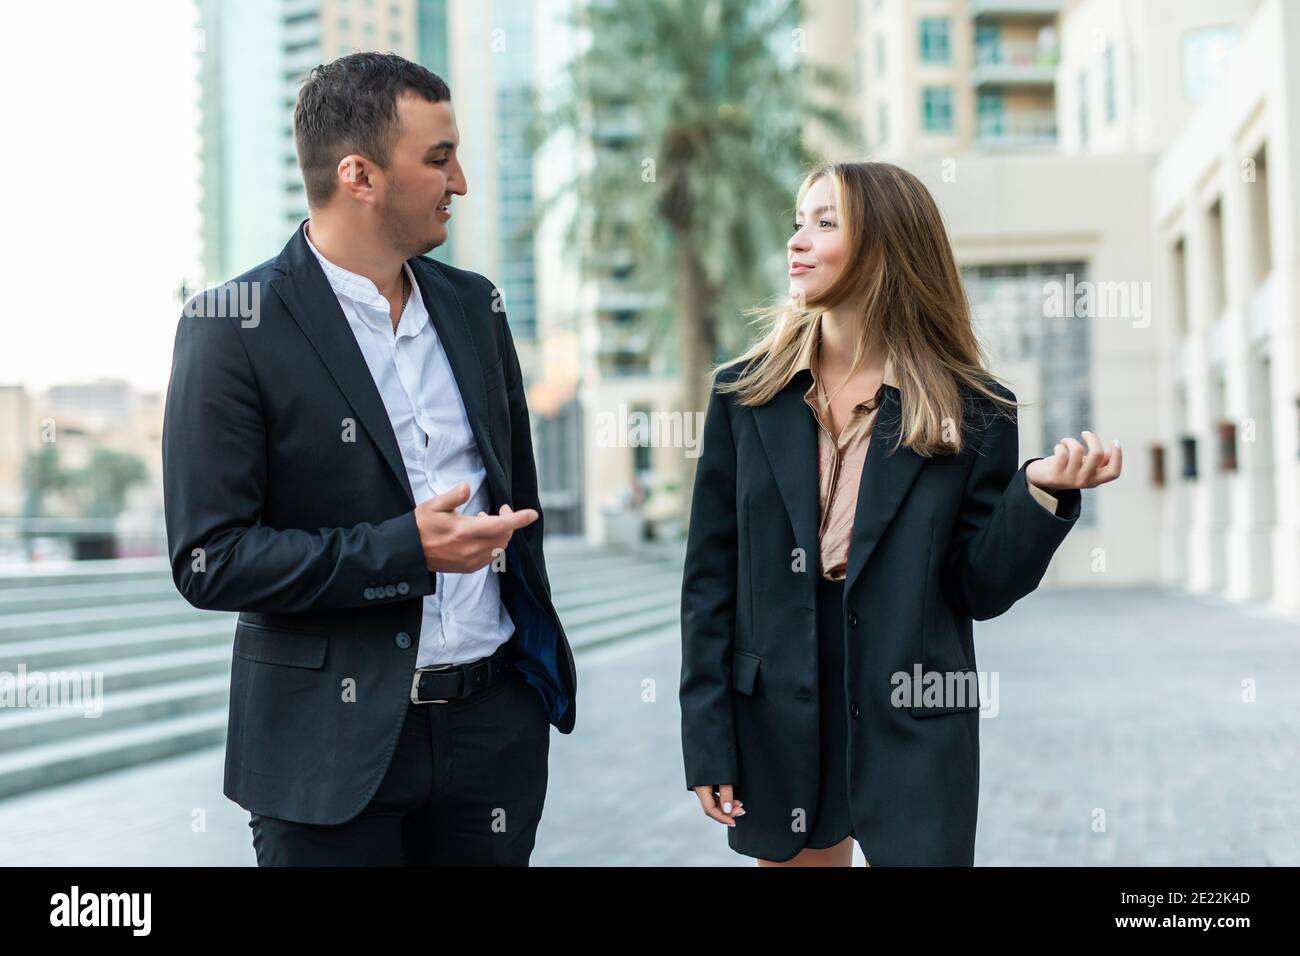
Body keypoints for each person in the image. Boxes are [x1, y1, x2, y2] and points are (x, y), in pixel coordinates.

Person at [162, 52, 575, 865]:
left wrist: (524, 699)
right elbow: (210, 559)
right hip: (325, 753)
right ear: (359, 174)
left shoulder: (474, 307)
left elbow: (514, 493)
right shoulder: (229, 327)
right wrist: (404, 551)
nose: (460, 182)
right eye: (439, 158)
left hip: (492, 735)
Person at [679, 161, 1122, 866]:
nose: (798, 240)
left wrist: (1036, 493)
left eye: (825, 222)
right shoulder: (746, 395)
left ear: (886, 246)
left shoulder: (974, 408)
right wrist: (708, 737)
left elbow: (977, 587)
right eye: (799, 220)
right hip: (780, 710)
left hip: (914, 710)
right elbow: (710, 582)